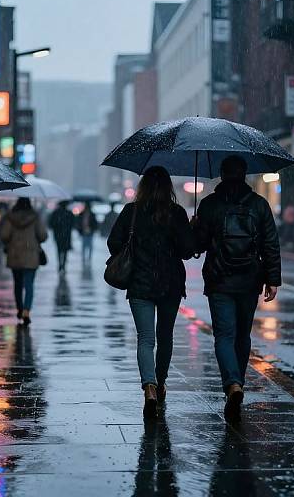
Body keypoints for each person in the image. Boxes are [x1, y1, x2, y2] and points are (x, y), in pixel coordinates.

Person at [194, 155, 281, 422]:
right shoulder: (259, 205)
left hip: (219, 280)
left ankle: (231, 383)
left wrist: (196, 229)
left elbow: (196, 246)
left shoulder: (209, 205)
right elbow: (270, 243)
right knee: (243, 335)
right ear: (244, 175)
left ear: (221, 174)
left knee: (224, 335)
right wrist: (272, 279)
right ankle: (237, 382)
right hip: (248, 280)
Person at [107, 166, 195, 418]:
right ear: (168, 187)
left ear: (143, 186)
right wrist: (189, 229)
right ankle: (161, 381)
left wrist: (132, 247)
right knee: (165, 336)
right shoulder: (176, 213)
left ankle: (149, 387)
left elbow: (113, 243)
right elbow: (187, 250)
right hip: (170, 285)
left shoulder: (131, 212)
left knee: (145, 338)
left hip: (140, 284)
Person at [0, 198, 47, 326]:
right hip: (31, 255)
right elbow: (43, 235)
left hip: (15, 255)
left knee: (18, 284)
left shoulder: (10, 217)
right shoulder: (35, 217)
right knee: (29, 284)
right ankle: (26, 310)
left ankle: (19, 308)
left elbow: (4, 235)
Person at [49, 201, 74, 273]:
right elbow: (72, 223)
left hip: (58, 236)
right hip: (66, 236)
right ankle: (63, 265)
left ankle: (60, 264)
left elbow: (51, 224)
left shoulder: (55, 213)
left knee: (59, 251)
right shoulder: (69, 213)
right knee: (65, 251)